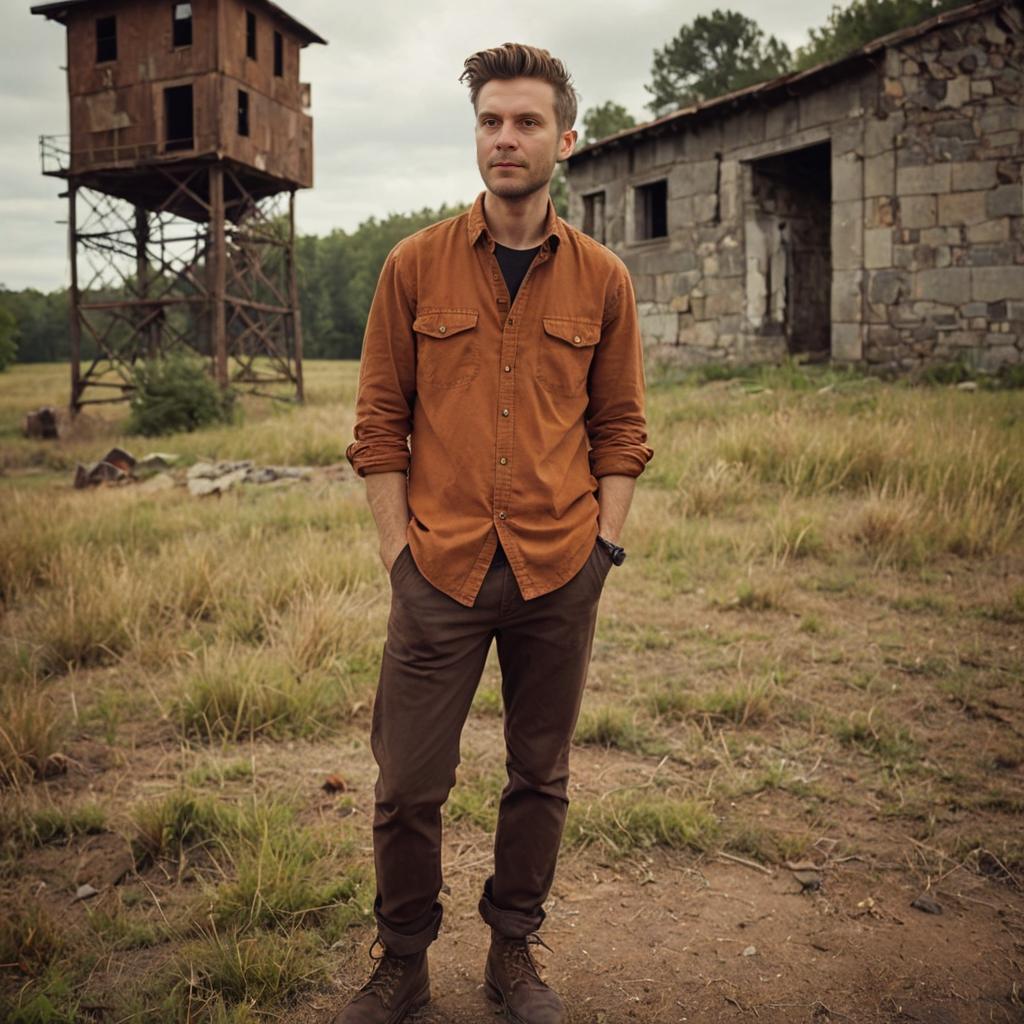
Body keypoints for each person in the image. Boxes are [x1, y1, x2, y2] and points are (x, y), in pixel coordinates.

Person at [336, 41, 653, 1024]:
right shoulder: (413, 267)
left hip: (560, 570)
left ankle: (512, 951)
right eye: (489, 121)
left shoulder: (602, 280)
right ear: (475, 135)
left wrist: (602, 549)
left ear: (563, 139)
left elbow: (621, 429)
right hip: (437, 569)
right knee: (406, 784)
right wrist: (399, 556)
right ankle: (403, 960)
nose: (504, 139)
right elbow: (377, 427)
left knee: (539, 776)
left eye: (524, 122)